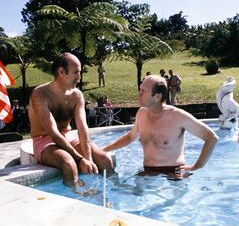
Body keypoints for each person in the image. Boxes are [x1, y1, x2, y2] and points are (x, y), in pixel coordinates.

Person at [102, 75, 218, 175]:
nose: (139, 94)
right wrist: (104, 150)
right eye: (140, 89)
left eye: (143, 91)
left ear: (157, 96)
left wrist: (196, 167)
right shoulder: (141, 113)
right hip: (148, 171)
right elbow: (131, 137)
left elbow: (211, 138)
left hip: (174, 173)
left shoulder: (177, 116)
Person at [28, 53, 113, 186]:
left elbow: (82, 127)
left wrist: (88, 159)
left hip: (68, 136)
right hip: (44, 140)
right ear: (61, 72)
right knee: (68, 163)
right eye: (76, 72)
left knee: (105, 159)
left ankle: (113, 194)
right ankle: (76, 198)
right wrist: (80, 160)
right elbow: (53, 133)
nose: (79, 77)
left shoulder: (77, 95)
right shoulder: (40, 94)